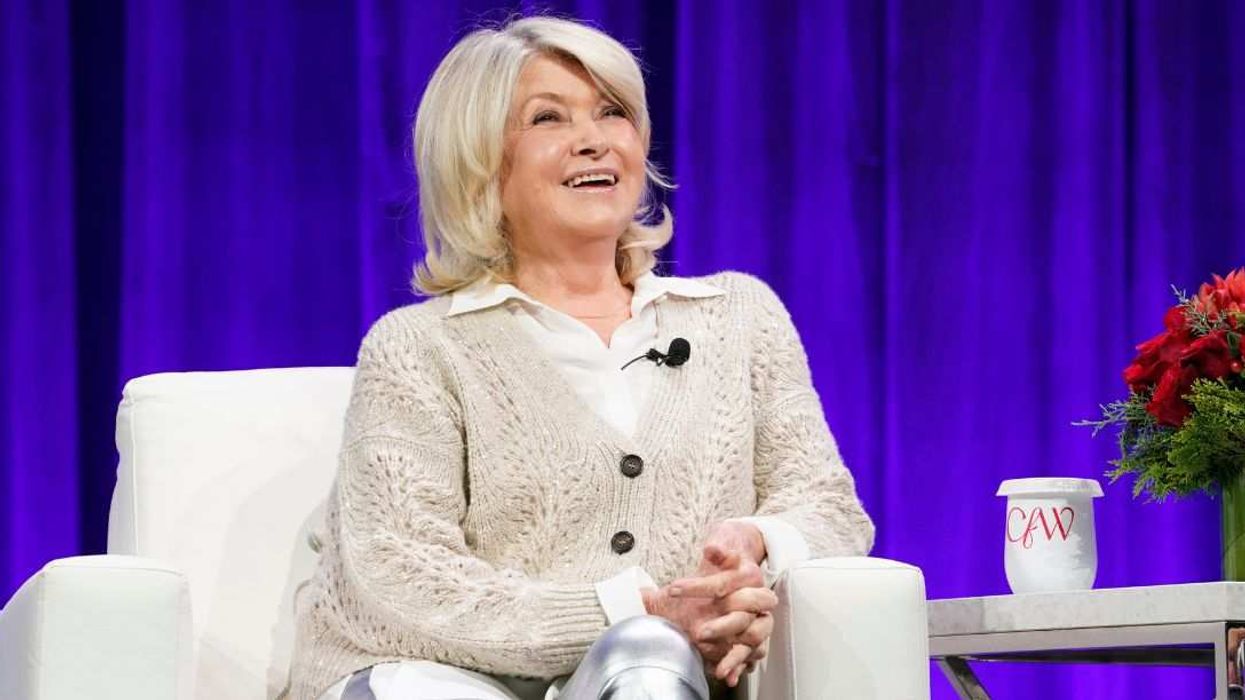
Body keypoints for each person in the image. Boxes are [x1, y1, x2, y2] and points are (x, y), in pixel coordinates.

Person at [287, 15, 874, 700]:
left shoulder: (737, 318)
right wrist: (636, 612)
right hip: (444, 680)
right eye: (547, 119)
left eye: (612, 113)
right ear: (477, 158)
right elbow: (403, 577)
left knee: (650, 662)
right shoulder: (419, 347)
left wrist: (755, 546)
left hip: (657, 680)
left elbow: (828, 506)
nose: (593, 140)